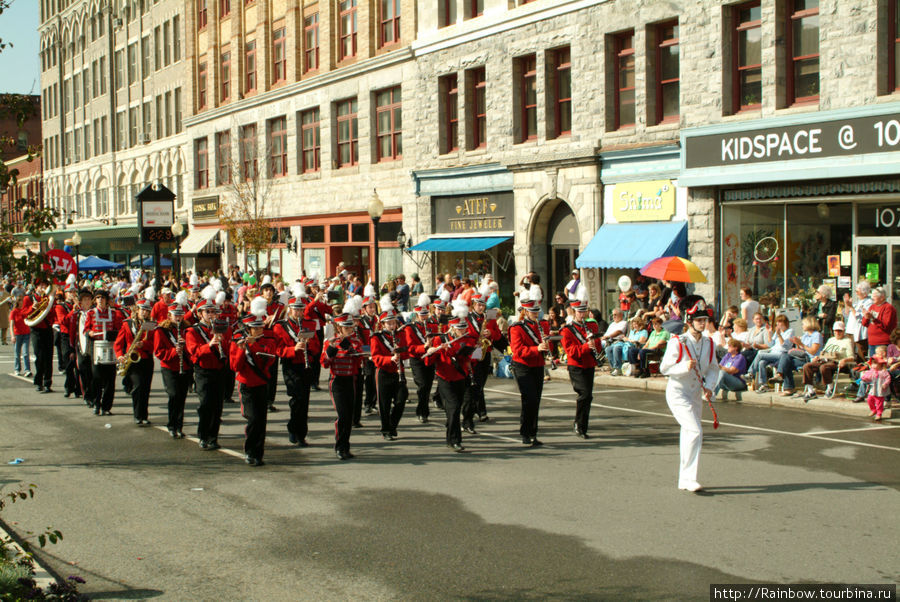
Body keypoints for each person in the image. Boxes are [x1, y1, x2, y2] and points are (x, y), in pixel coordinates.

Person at [659, 296, 719, 493]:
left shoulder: (710, 343)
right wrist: (684, 366)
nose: (703, 323)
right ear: (689, 321)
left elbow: (713, 368)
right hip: (678, 393)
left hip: (695, 394)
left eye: (705, 320)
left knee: (690, 435)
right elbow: (664, 368)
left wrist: (709, 386)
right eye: (699, 320)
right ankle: (689, 478)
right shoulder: (678, 342)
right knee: (695, 431)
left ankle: (685, 479)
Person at [231, 298, 278, 466]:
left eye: (260, 327)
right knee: (253, 419)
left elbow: (269, 361)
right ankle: (250, 451)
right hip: (246, 384)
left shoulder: (268, 340)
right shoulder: (238, 342)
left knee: (261, 420)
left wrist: (254, 346)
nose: (259, 330)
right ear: (248, 329)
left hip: (261, 383)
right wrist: (242, 350)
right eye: (255, 328)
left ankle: (259, 453)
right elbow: (235, 366)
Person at [185, 297, 231, 450]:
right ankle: (203, 436)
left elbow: (228, 348)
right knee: (205, 404)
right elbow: (193, 352)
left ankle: (213, 437)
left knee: (217, 405)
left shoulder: (222, 328)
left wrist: (223, 341)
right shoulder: (193, 331)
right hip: (203, 371)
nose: (211, 315)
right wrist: (209, 345)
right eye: (208, 312)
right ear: (200, 314)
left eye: (213, 312)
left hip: (219, 369)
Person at [274, 293, 319, 447]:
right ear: (290, 310)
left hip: (306, 365)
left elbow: (317, 346)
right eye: (295, 310)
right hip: (291, 365)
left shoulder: (310, 324)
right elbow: (278, 349)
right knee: (296, 398)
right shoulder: (280, 326)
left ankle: (301, 434)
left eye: (301, 310)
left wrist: (308, 346)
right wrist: (293, 348)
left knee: (304, 400)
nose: (299, 313)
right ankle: (294, 429)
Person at [425, 316, 475, 452]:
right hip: (445, 379)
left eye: (464, 328)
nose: (463, 330)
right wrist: (430, 352)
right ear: (452, 328)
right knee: (453, 408)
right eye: (460, 328)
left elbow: (466, 358)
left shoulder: (468, 340)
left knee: (455, 409)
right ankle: (454, 440)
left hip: (460, 377)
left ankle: (450, 431)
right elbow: (429, 362)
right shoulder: (439, 339)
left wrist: (450, 350)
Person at [321, 313, 364, 460]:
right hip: (337, 381)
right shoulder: (330, 342)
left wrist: (353, 350)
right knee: (343, 415)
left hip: (350, 381)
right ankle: (340, 446)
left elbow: (359, 362)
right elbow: (325, 364)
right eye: (346, 327)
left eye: (351, 326)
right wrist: (331, 350)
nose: (350, 329)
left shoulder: (356, 341)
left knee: (349, 416)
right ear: (339, 327)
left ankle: (345, 446)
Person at [509, 294, 548, 447]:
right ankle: (525, 432)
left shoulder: (542, 325)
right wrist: (536, 348)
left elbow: (546, 345)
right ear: (525, 311)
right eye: (532, 311)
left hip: (538, 365)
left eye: (537, 311)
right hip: (523, 366)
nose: (536, 314)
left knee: (536, 399)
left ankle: (533, 433)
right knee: (529, 399)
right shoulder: (516, 328)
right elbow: (517, 350)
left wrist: (547, 346)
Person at [561, 300, 600, 438]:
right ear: (574, 312)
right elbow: (570, 351)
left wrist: (596, 344)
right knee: (584, 394)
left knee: (588, 395)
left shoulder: (592, 326)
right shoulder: (567, 330)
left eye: (584, 311)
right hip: (576, 365)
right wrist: (586, 347)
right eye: (579, 312)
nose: (582, 315)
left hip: (589, 364)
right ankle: (579, 424)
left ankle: (583, 426)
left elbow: (598, 345)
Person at [154, 300, 193, 438]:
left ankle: (179, 426)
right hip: (170, 367)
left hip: (185, 367)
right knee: (174, 395)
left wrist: (186, 348)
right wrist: (173, 351)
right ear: (169, 315)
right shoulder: (161, 331)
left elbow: (192, 349)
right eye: (175, 314)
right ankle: (172, 425)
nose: (178, 317)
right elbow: (159, 352)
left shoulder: (187, 329)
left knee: (182, 397)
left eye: (180, 314)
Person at [114, 299, 156, 425]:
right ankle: (138, 415)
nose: (144, 313)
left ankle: (144, 415)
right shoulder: (127, 324)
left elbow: (155, 343)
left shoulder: (151, 324)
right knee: (137, 387)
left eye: (147, 311)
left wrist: (144, 344)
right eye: (142, 310)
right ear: (137, 310)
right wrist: (120, 355)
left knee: (146, 388)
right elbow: (118, 343)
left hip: (146, 359)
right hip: (132, 359)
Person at [83, 289, 124, 415]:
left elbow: (119, 329)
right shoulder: (90, 313)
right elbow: (85, 330)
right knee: (97, 378)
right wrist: (89, 333)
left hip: (110, 348)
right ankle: (96, 404)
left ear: (106, 300)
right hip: (96, 348)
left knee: (110, 380)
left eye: (102, 298)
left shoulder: (114, 314)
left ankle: (106, 406)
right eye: (98, 298)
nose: (100, 300)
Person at [370, 306, 408, 440]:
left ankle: (392, 425)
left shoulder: (401, 334)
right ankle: (386, 429)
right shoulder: (376, 338)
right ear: (383, 324)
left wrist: (401, 352)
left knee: (401, 399)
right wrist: (390, 358)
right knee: (384, 403)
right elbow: (375, 358)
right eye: (389, 323)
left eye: (394, 323)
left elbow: (407, 353)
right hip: (384, 372)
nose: (392, 326)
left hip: (398, 372)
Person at [799, 321, 855, 400]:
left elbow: (851, 357)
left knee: (824, 367)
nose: (837, 333)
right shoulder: (831, 340)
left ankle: (830, 388)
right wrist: (818, 357)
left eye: (840, 331)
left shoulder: (847, 341)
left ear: (843, 331)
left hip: (836, 361)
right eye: (836, 330)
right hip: (825, 360)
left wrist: (844, 360)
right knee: (807, 366)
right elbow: (824, 352)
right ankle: (810, 390)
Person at [401, 295, 435, 423]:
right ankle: (422, 411)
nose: (424, 316)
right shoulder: (410, 328)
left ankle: (424, 409)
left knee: (428, 386)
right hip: (417, 360)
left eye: (426, 314)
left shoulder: (431, 326)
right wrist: (424, 346)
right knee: (422, 385)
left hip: (430, 358)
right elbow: (410, 347)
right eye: (422, 314)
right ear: (417, 314)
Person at [772, 316, 823, 397]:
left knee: (785, 361)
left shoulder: (816, 335)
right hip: (803, 356)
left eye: (803, 324)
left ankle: (781, 376)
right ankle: (787, 385)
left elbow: (813, 351)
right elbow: (803, 349)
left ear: (809, 324)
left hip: (811, 359)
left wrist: (801, 344)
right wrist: (797, 345)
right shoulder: (805, 335)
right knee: (786, 358)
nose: (802, 326)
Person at [747, 314, 793, 393]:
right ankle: (764, 384)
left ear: (785, 323)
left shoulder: (790, 331)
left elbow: (785, 345)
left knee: (760, 354)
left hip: (781, 354)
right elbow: (771, 344)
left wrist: (779, 335)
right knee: (761, 362)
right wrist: (769, 333)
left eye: (780, 322)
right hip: (773, 352)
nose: (778, 324)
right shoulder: (778, 332)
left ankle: (750, 373)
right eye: (777, 323)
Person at [26, 279, 56, 393]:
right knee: (40, 356)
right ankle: (39, 382)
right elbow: (23, 313)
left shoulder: (48, 299)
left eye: (45, 285)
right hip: (36, 329)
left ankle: (48, 382)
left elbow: (53, 313)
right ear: (36, 287)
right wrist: (31, 308)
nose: (43, 287)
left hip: (47, 329)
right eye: (41, 285)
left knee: (49, 356)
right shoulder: (28, 298)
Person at [861, 287, 897, 357]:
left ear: (882, 297)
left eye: (874, 296)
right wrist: (866, 317)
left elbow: (886, 325)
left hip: (883, 342)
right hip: (872, 342)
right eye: (872, 296)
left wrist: (873, 318)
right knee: (873, 364)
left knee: (882, 364)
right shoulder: (872, 307)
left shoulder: (888, 308)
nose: (872, 298)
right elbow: (864, 323)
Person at [845, 281, 873, 359]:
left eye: (857, 291)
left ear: (864, 292)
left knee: (861, 354)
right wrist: (847, 304)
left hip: (859, 332)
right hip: (851, 330)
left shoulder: (869, 302)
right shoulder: (857, 302)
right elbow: (848, 314)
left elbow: (860, 317)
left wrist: (851, 307)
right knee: (851, 353)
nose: (856, 293)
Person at [860, 354, 891, 421]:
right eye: (872, 364)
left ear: (880, 364)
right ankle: (873, 410)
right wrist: (864, 378)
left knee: (879, 402)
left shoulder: (884, 372)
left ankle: (879, 414)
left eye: (875, 363)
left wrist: (885, 383)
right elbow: (868, 378)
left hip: (880, 389)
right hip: (873, 389)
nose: (873, 365)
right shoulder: (871, 371)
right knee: (869, 399)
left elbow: (888, 378)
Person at [600, 309, 629, 375]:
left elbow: (618, 332)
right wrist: (603, 338)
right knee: (608, 349)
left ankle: (618, 368)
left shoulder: (624, 322)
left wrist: (608, 336)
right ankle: (613, 367)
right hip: (610, 342)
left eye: (615, 315)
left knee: (616, 348)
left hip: (620, 341)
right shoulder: (612, 324)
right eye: (613, 315)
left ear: (621, 315)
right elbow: (606, 334)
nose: (613, 316)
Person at [9, 295, 31, 377]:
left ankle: (27, 369)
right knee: (17, 353)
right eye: (21, 302)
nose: (22, 303)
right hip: (17, 334)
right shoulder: (14, 312)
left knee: (25, 353)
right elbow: (11, 324)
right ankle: (17, 369)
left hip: (26, 333)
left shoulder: (25, 310)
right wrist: (12, 335)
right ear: (17, 303)